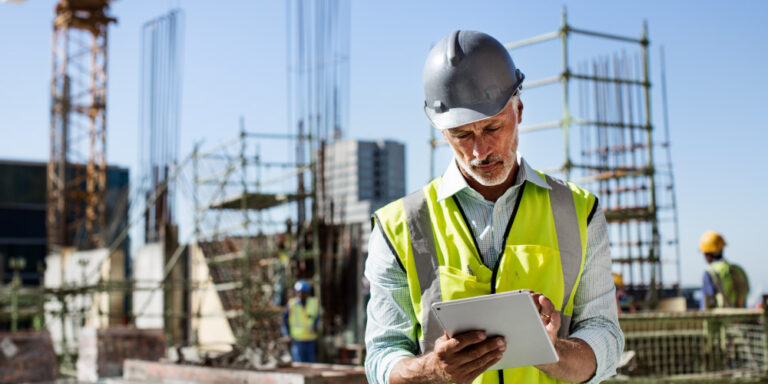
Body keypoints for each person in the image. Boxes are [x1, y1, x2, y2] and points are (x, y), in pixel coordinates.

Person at [364, 30, 624, 384]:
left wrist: (551, 352)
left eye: (492, 127)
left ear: (519, 108)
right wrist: (433, 370)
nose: (479, 151)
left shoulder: (580, 212)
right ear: (442, 132)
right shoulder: (398, 227)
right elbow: (381, 355)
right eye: (462, 135)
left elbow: (605, 338)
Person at [699, 231, 749, 309]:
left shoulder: (709, 272)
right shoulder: (738, 270)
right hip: (742, 318)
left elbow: (707, 304)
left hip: (721, 319)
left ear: (708, 254)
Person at [282, 280, 320, 362]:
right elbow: (284, 321)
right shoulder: (291, 304)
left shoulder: (313, 303)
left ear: (308, 293)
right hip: (297, 341)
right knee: (299, 364)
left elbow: (317, 318)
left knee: (311, 365)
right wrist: (286, 334)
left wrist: (316, 326)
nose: (301, 295)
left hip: (310, 340)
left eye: (304, 293)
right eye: (299, 292)